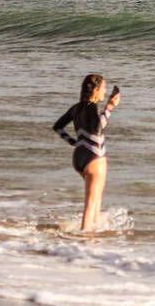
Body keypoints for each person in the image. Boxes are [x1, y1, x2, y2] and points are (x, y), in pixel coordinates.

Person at [53, 74, 121, 231]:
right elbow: (99, 127)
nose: (105, 91)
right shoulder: (92, 107)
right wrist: (109, 108)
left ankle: (93, 234)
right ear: (96, 89)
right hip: (94, 157)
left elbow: (57, 127)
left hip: (79, 157)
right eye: (103, 88)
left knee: (95, 199)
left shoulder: (76, 108)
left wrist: (72, 141)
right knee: (92, 202)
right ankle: (85, 239)